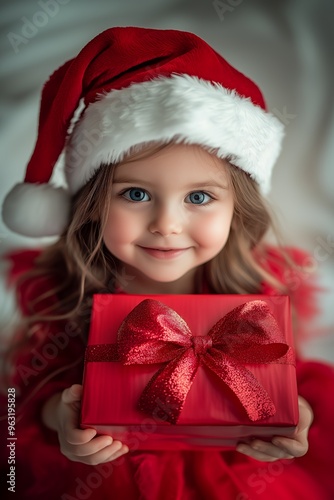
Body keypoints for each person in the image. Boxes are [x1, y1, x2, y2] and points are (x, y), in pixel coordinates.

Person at [1, 26, 333, 500]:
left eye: (199, 196)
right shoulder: (62, 289)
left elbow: (288, 388)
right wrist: (61, 419)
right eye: (136, 194)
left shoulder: (260, 290)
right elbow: (19, 402)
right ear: (93, 203)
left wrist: (294, 420)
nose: (167, 224)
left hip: (231, 477)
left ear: (237, 208)